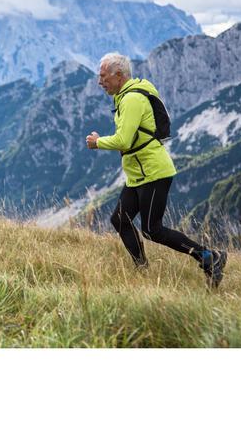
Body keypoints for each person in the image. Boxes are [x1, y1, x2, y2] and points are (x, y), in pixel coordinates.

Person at [86, 52, 227, 288]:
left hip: (153, 173)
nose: (100, 82)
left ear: (118, 75)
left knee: (152, 229)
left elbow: (124, 140)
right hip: (138, 175)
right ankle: (142, 270)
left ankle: (209, 256)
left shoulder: (131, 99)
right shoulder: (123, 96)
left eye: (103, 77)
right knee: (120, 219)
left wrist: (97, 142)